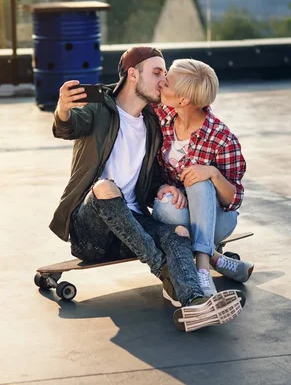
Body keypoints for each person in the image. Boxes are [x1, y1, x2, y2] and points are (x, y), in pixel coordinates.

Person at [48, 46, 246, 332]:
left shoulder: (154, 122)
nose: (163, 80)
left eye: (165, 73)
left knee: (177, 234)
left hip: (134, 225)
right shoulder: (99, 109)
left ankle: (195, 304)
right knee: (105, 187)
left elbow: (149, 172)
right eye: (156, 73)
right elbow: (69, 127)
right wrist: (63, 109)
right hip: (92, 231)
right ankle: (165, 271)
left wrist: (165, 186)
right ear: (132, 74)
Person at [152, 58, 254, 297]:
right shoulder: (160, 117)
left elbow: (234, 200)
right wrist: (165, 185)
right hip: (179, 212)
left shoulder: (222, 138)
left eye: (166, 84)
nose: (160, 85)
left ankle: (201, 269)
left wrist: (213, 174)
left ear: (183, 100)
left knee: (199, 178)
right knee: (165, 209)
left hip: (218, 218)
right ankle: (213, 259)